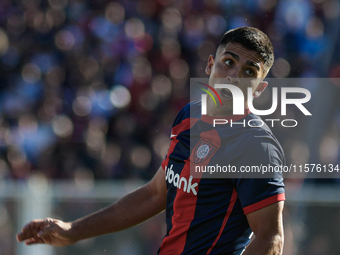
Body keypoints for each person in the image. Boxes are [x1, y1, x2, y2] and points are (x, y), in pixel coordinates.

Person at [16, 27, 285, 255]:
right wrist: (72, 230)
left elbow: (270, 239)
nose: (234, 77)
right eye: (229, 62)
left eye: (249, 72)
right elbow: (155, 193)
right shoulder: (189, 115)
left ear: (259, 89)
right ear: (210, 64)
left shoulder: (256, 146)